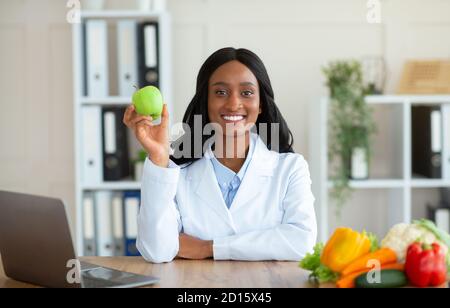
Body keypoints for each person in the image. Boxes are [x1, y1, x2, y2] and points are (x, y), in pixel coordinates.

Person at [123, 47, 316, 263]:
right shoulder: (177, 173)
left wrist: (210, 247)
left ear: (261, 104)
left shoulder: (290, 168)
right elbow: (157, 251)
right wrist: (159, 158)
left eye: (247, 92)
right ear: (206, 101)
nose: (234, 104)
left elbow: (302, 242)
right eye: (221, 92)